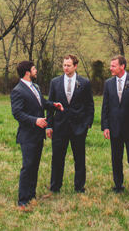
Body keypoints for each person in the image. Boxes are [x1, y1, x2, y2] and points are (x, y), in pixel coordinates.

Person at [10, 60, 64, 211]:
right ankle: (22, 200)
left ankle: (32, 195)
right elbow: (17, 113)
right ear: (27, 72)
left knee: (35, 166)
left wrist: (53, 105)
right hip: (27, 136)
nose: (36, 70)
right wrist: (35, 121)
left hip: (38, 135)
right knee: (27, 167)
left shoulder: (36, 87)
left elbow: (42, 103)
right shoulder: (17, 91)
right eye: (33, 69)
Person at [46, 54, 94, 194]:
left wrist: (87, 124)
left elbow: (89, 105)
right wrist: (49, 125)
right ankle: (55, 187)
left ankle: (79, 186)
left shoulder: (84, 83)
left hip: (78, 127)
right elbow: (50, 105)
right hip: (59, 126)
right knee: (57, 158)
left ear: (75, 66)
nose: (66, 68)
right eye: (64, 65)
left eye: (69, 65)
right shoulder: (55, 82)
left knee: (79, 158)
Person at [100, 55, 129, 195]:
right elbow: (105, 106)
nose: (110, 68)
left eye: (113, 66)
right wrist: (105, 126)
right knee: (116, 158)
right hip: (114, 128)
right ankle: (118, 185)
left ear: (122, 67)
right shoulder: (108, 83)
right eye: (110, 66)